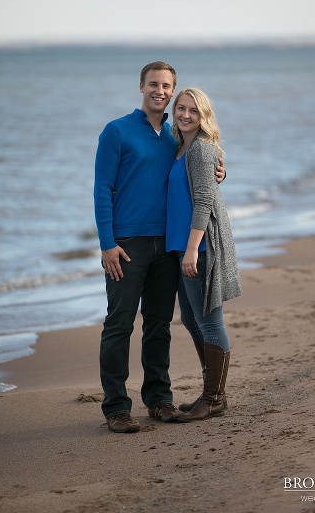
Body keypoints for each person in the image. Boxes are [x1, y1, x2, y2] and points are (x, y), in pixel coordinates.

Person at [94, 63, 225, 433]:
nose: (161, 91)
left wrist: (221, 171)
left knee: (159, 325)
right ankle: (117, 408)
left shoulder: (174, 137)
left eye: (167, 86)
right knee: (118, 324)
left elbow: (197, 171)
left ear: (173, 90)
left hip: (168, 245)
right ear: (141, 86)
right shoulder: (116, 131)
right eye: (154, 84)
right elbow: (102, 190)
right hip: (127, 245)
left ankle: (159, 400)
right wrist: (107, 244)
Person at [166, 87, 242, 421]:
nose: (185, 115)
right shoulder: (181, 147)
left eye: (193, 111)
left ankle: (213, 399)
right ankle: (213, 394)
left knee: (210, 323)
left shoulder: (200, 149)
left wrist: (193, 249)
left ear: (204, 116)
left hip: (200, 248)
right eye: (180, 108)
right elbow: (205, 187)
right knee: (193, 320)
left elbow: (204, 201)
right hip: (185, 247)